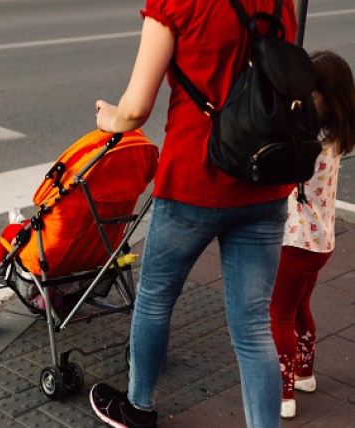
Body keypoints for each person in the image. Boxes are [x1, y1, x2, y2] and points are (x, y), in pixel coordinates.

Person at [88, 1, 300, 427]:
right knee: (254, 326)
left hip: (195, 178)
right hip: (265, 174)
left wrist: (110, 118)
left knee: (155, 298)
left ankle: (138, 407)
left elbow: (135, 109)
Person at [269, 50, 355, 420]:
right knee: (299, 308)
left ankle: (283, 392)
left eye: (309, 91)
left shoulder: (308, 140)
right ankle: (304, 373)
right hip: (320, 239)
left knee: (279, 314)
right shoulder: (334, 133)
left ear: (327, 98)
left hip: (296, 240)